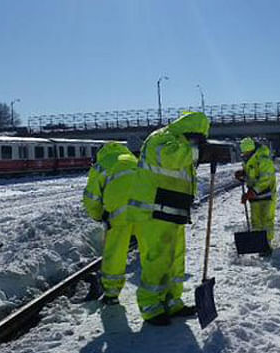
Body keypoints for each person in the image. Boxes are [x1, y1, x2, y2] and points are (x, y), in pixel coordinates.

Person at [111, 111, 210, 326]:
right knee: (157, 260)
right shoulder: (162, 139)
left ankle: (172, 301)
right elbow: (171, 159)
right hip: (153, 211)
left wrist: (200, 151)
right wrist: (197, 150)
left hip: (172, 210)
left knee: (175, 260)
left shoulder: (182, 144)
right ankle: (150, 306)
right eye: (197, 137)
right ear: (188, 131)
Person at [82, 142, 136, 304]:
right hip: (145, 212)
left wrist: (99, 216)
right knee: (150, 255)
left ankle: (111, 294)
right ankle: (159, 298)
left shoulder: (101, 165)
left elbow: (92, 198)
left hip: (118, 217)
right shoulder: (133, 159)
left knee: (115, 254)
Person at [235, 137, 277, 256]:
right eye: (244, 152)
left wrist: (252, 192)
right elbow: (251, 175)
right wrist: (243, 174)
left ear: (252, 150)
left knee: (267, 221)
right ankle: (259, 245)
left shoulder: (263, 159)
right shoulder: (247, 160)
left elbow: (266, 178)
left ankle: (267, 245)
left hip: (267, 195)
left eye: (246, 152)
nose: (245, 154)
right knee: (256, 221)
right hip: (254, 197)